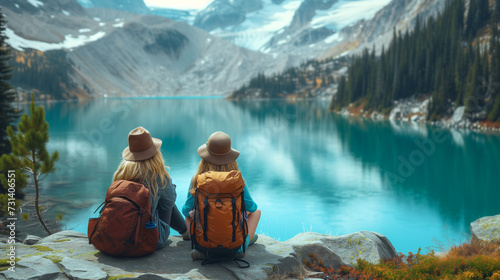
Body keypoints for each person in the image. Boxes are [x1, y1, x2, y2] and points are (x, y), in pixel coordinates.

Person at [182, 131, 261, 260]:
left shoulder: (197, 179)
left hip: (204, 242)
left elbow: (186, 210)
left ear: (205, 157)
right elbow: (252, 208)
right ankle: (241, 246)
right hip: (233, 243)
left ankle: (199, 248)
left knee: (189, 214)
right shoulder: (238, 181)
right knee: (257, 212)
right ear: (231, 157)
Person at [113, 126, 189, 249]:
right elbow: (169, 203)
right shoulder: (157, 177)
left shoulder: (121, 172)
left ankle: (185, 231)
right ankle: (186, 232)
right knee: (166, 200)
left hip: (116, 234)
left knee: (161, 196)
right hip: (148, 238)